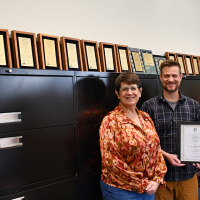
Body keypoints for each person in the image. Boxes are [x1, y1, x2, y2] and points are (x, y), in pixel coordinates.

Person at [99, 72, 167, 200]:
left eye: (133, 88)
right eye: (124, 89)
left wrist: (157, 179)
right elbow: (111, 162)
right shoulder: (111, 120)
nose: (129, 93)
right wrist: (143, 183)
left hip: (149, 188)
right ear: (117, 93)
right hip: (122, 190)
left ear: (140, 91)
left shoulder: (145, 117)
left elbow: (157, 150)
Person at [140, 60, 200, 200]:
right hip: (160, 177)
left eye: (174, 75)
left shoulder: (194, 106)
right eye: (166, 76)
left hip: (187, 175)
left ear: (181, 77)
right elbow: (144, 142)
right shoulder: (149, 106)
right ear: (160, 77)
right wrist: (165, 155)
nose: (170, 79)